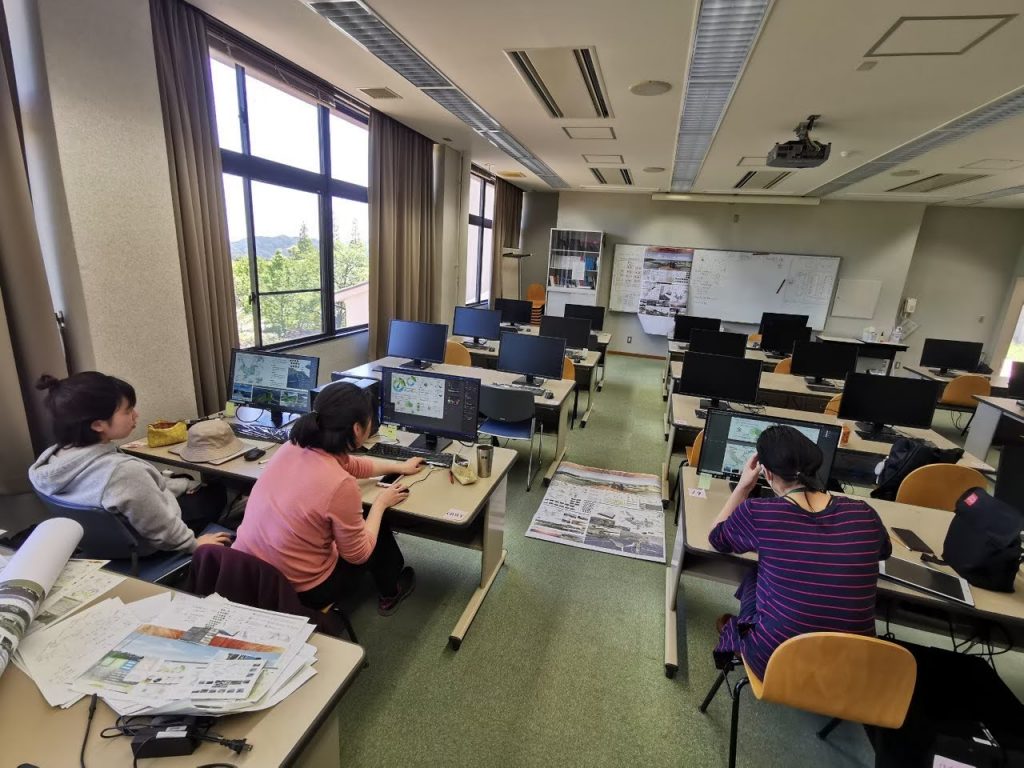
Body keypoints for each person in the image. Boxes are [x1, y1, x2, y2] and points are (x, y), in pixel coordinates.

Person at [709, 425, 891, 680]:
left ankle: (743, 631)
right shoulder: (864, 513)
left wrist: (743, 487)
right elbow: (883, 551)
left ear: (767, 473)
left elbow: (716, 538)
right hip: (852, 669)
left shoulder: (758, 513)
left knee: (756, 575)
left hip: (777, 661)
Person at [232, 382, 424, 616]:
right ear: (357, 429)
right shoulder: (341, 484)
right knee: (375, 522)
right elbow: (359, 554)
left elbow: (350, 464)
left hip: (249, 572)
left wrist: (399, 467)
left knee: (358, 520)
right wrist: (381, 504)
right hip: (303, 589)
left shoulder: (293, 446)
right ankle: (390, 591)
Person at [29, 372, 232, 553]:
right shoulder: (124, 472)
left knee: (189, 485)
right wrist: (194, 544)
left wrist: (182, 485)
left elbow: (136, 492)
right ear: (98, 424)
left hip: (102, 541)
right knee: (217, 493)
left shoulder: (52, 459)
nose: (136, 415)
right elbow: (160, 527)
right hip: (145, 546)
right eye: (127, 411)